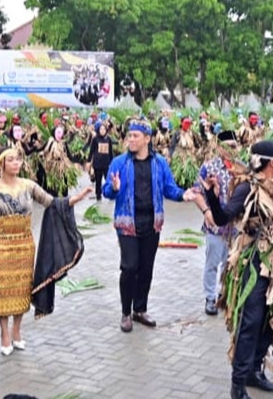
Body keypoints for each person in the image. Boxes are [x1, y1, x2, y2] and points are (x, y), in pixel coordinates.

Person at [195, 139, 273, 399]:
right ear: (271, 163)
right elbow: (223, 219)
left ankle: (254, 371)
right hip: (252, 262)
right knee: (251, 321)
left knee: (271, 317)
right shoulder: (247, 188)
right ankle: (238, 385)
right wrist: (211, 195)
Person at [0, 148, 91, 355]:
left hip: (24, 246)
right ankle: (4, 334)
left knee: (21, 289)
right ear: (1, 164)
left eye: (18, 160)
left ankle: (17, 331)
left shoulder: (28, 186)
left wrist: (76, 198)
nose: (16, 163)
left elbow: (52, 203)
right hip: (0, 246)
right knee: (2, 291)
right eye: (10, 160)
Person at [103, 120, 191, 333]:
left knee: (146, 268)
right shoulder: (119, 163)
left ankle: (140, 309)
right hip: (127, 223)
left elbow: (169, 188)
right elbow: (106, 191)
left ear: (147, 139)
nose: (130, 140)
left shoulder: (159, 163)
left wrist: (183, 195)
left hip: (152, 223)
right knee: (129, 266)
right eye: (129, 136)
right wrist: (114, 188)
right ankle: (126, 312)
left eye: (135, 136)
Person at [192, 130, 240, 316]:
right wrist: (206, 211)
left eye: (234, 146)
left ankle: (225, 295)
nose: (230, 150)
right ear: (219, 147)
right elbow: (197, 193)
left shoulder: (241, 168)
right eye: (227, 146)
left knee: (231, 263)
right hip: (215, 226)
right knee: (212, 263)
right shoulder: (209, 168)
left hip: (236, 227)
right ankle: (210, 297)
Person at [88, 122, 115, 201]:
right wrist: (89, 161)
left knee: (108, 179)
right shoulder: (95, 139)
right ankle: (98, 195)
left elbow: (110, 151)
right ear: (98, 130)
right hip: (97, 163)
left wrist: (112, 162)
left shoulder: (108, 139)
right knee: (98, 181)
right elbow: (91, 150)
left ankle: (110, 194)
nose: (102, 131)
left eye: (104, 129)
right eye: (101, 129)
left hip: (106, 163)